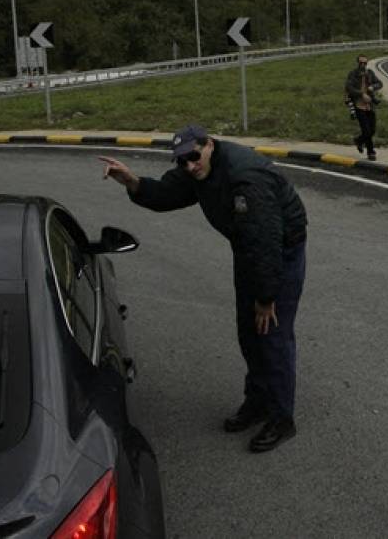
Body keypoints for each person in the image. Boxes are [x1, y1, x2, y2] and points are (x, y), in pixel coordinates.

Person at [99, 125, 308, 453]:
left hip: (280, 251)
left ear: (209, 145)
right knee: (248, 332)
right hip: (248, 248)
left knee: (272, 335)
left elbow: (266, 240)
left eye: (194, 157)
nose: (190, 166)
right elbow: (166, 194)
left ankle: (282, 418)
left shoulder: (245, 177)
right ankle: (258, 402)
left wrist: (266, 298)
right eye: (182, 161)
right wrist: (133, 182)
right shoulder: (195, 170)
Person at [344, 54, 383, 160]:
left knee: (372, 130)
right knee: (366, 130)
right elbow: (349, 87)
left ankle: (359, 141)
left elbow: (379, 83)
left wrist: (372, 87)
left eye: (365, 63)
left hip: (370, 105)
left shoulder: (370, 73)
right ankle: (371, 152)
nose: (363, 65)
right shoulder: (352, 74)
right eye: (361, 62)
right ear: (358, 63)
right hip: (358, 105)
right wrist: (361, 94)